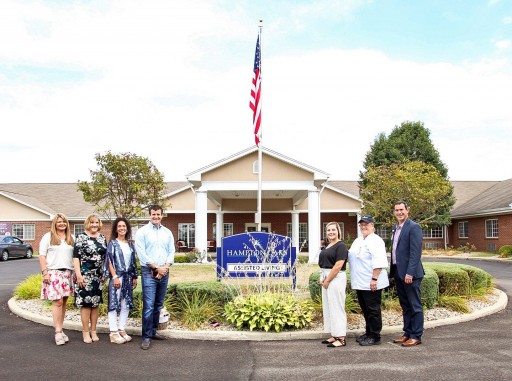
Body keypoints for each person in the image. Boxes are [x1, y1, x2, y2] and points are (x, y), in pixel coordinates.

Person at [135, 204, 175, 350]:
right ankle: (146, 337)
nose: (156, 217)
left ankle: (152, 332)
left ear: (162, 215)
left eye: (158, 214)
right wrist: (156, 268)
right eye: (153, 214)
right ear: (149, 215)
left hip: (164, 272)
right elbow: (141, 253)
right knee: (149, 306)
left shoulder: (167, 232)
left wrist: (165, 267)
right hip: (149, 272)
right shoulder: (142, 232)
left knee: (158, 304)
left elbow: (171, 251)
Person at [348, 215, 389, 346]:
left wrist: (374, 279)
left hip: (371, 282)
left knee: (373, 310)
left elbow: (379, 261)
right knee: (365, 309)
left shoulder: (376, 241)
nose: (364, 227)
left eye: (366, 224)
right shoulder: (358, 240)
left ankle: (375, 336)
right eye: (362, 224)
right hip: (360, 282)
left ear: (373, 226)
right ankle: (368, 332)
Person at [389, 200, 425, 347]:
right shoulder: (395, 228)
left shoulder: (414, 227)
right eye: (396, 210)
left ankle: (416, 336)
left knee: (415, 305)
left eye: (401, 210)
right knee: (405, 305)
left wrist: (409, 273)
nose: (399, 212)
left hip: (411, 274)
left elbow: (415, 253)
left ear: (407, 210)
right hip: (398, 272)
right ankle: (407, 333)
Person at [39, 213, 75, 345]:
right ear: (55, 223)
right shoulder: (48, 237)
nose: (61, 224)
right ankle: (58, 332)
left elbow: (75, 257)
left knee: (64, 301)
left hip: (68, 273)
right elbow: (42, 256)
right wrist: (45, 273)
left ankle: (61, 328)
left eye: (64, 222)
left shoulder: (71, 238)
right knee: (57, 302)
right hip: (53, 273)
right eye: (59, 222)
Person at [73, 214, 107, 344]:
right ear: (88, 223)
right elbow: (76, 257)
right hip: (85, 276)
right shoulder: (81, 237)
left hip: (98, 276)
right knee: (86, 304)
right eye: (92, 222)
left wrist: (104, 274)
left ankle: (94, 330)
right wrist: (78, 275)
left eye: (96, 222)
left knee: (95, 304)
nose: (94, 225)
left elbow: (105, 257)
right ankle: (85, 332)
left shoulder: (102, 237)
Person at [104, 217, 138, 344]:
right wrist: (114, 277)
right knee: (114, 303)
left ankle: (121, 328)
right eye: (119, 226)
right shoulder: (113, 244)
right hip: (117, 277)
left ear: (127, 228)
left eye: (124, 226)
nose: (122, 228)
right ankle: (113, 332)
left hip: (128, 277)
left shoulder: (130, 244)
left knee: (125, 303)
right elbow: (109, 261)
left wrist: (134, 277)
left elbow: (133, 261)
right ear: (116, 229)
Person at [318, 221, 348, 348]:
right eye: (328, 230)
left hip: (336, 279)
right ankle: (334, 335)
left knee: (337, 307)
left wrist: (328, 280)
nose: (331, 232)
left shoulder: (341, 246)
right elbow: (323, 264)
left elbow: (338, 265)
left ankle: (341, 338)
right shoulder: (328, 246)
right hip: (327, 278)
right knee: (329, 307)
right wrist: (322, 278)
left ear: (338, 231)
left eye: (333, 230)